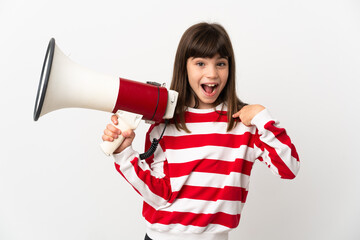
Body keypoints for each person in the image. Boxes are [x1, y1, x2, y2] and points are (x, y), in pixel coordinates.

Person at [102, 22, 300, 240]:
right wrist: (124, 154)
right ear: (184, 67)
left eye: (221, 64)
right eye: (200, 63)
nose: (212, 73)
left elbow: (289, 167)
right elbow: (159, 196)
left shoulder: (245, 124)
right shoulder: (164, 123)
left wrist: (262, 117)